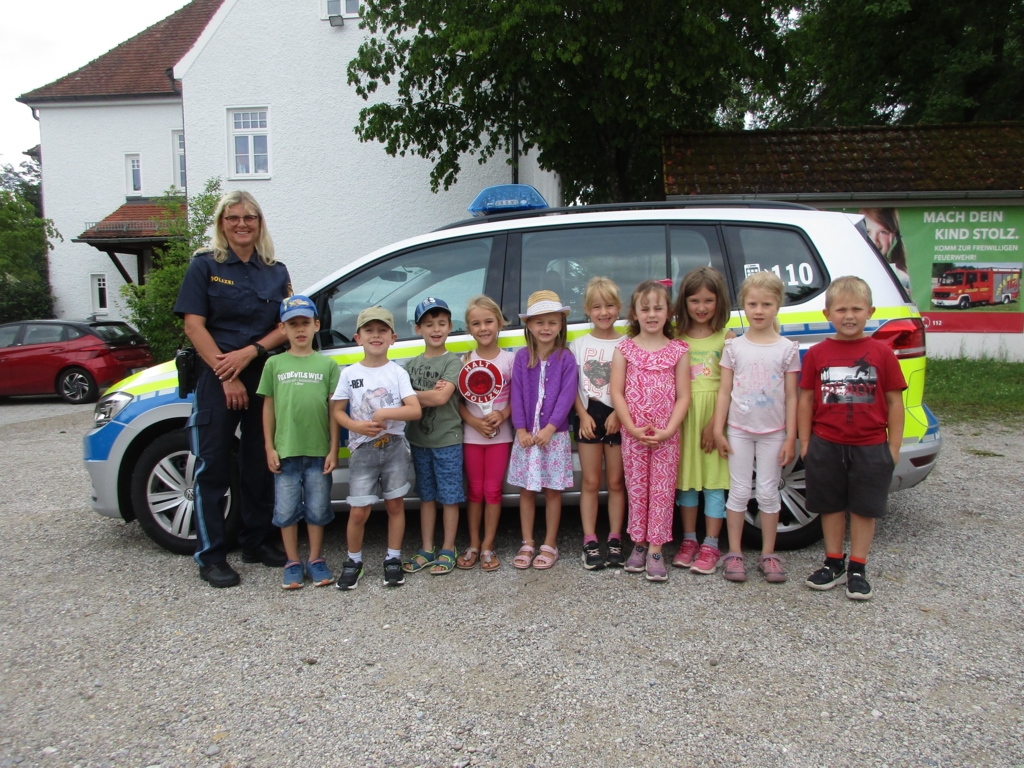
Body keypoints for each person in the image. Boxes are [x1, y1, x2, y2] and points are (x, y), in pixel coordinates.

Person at [174, 190, 292, 588]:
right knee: (213, 467)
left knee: (261, 463)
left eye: (250, 218)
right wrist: (229, 372)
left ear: (260, 224)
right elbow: (194, 326)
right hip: (216, 374)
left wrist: (252, 352)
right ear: (222, 223)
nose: (242, 224)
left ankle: (256, 541)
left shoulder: (276, 271)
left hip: (261, 373)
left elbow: (284, 326)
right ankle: (210, 556)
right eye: (233, 217)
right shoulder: (205, 266)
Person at [799, 276, 906, 601]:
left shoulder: (882, 353)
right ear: (826, 313)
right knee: (829, 506)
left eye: (856, 309)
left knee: (864, 509)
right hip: (825, 443)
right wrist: (806, 443)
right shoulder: (817, 354)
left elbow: (894, 401)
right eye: (841, 309)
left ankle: (857, 567)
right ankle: (833, 562)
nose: (849, 316)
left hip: (871, 446)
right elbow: (805, 399)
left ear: (870, 311)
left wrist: (894, 446)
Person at [712, 271, 800, 584]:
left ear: (778, 306)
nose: (759, 310)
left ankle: (768, 554)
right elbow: (724, 391)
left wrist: (791, 437)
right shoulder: (734, 347)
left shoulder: (787, 349)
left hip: (773, 433)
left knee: (767, 492)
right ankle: (734, 552)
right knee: (737, 491)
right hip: (738, 429)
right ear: (744, 306)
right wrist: (718, 430)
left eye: (766, 304)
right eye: (752, 304)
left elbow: (792, 396)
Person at [331, 306, 421, 589]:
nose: (376, 335)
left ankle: (393, 559)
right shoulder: (349, 373)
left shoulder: (398, 373)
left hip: (395, 448)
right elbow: (337, 411)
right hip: (362, 450)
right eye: (369, 330)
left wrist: (384, 414)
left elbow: (415, 410)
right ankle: (354, 561)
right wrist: (355, 427)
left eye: (382, 330)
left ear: (393, 337)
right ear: (358, 338)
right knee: (359, 510)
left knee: (395, 505)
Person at [257, 295, 340, 589]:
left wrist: (333, 448)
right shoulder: (274, 364)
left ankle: (315, 559)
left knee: (318, 510)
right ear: (283, 329)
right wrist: (269, 446)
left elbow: (334, 409)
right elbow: (268, 407)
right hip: (286, 452)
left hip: (319, 452)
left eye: (305, 323)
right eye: (293, 324)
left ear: (317, 325)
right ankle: (292, 561)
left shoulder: (328, 365)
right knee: (286, 511)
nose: (300, 330)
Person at [611, 280, 691, 582]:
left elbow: (684, 395)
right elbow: (616, 392)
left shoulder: (678, 350)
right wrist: (630, 427)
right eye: (645, 309)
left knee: (661, 490)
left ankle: (657, 548)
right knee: (638, 488)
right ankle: (639, 542)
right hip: (634, 435)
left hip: (666, 436)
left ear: (668, 311)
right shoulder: (625, 349)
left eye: (658, 308)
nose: (652, 314)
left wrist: (670, 429)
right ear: (635, 313)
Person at [509, 290, 578, 571]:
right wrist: (520, 429)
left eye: (552, 322)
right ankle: (527, 541)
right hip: (527, 437)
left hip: (555, 436)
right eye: (539, 322)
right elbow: (516, 394)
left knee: (552, 491)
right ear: (529, 325)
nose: (546, 328)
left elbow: (567, 395)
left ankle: (549, 543)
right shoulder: (522, 358)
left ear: (561, 324)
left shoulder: (566, 359)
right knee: (526, 490)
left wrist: (550, 428)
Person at [671, 267, 734, 574]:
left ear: (719, 302)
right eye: (694, 300)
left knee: (713, 483)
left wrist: (715, 425)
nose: (701, 307)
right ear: (684, 302)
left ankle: (711, 543)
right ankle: (689, 540)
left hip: (714, 418)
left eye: (708, 300)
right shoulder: (676, 338)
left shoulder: (727, 337)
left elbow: (728, 386)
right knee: (686, 483)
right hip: (683, 418)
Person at [401, 298, 465, 576]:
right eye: (429, 324)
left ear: (450, 326)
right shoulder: (408, 364)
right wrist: (423, 397)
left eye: (441, 324)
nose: (435, 329)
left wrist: (415, 396)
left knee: (449, 496)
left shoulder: (454, 361)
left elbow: (441, 397)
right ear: (418, 329)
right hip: (419, 440)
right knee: (426, 496)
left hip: (447, 439)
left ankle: (448, 548)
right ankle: (427, 549)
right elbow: (402, 401)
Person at [569, 277, 626, 570]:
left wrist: (620, 412)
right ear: (587, 310)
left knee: (616, 482)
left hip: (618, 417)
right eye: (596, 306)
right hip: (589, 416)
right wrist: (582, 414)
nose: (603, 312)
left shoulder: (627, 342)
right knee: (590, 481)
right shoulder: (578, 344)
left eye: (609, 305)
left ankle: (615, 539)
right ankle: (590, 541)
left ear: (619, 307)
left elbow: (631, 383)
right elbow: (573, 386)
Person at [456, 295, 514, 572]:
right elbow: (457, 403)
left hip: (501, 438)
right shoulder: (465, 360)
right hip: (471, 436)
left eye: (488, 321)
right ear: (469, 328)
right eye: (476, 323)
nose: (483, 328)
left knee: (492, 490)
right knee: (475, 491)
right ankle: (474, 544)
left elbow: (518, 397)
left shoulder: (510, 360)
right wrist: (474, 421)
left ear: (500, 323)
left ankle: (488, 545)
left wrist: (502, 414)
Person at [860, 207, 911, 293]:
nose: (874, 240)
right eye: (867, 231)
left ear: (893, 236)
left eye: (883, 232)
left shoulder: (901, 278)